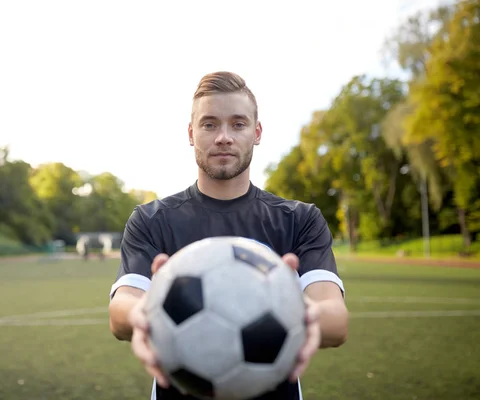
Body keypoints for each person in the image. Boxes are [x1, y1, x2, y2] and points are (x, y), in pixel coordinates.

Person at [108, 71, 349, 400]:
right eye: (209, 124)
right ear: (191, 133)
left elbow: (335, 321)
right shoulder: (152, 219)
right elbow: (122, 308)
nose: (223, 137)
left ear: (257, 132)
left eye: (238, 124)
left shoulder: (299, 219)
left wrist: (303, 313)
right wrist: (139, 314)